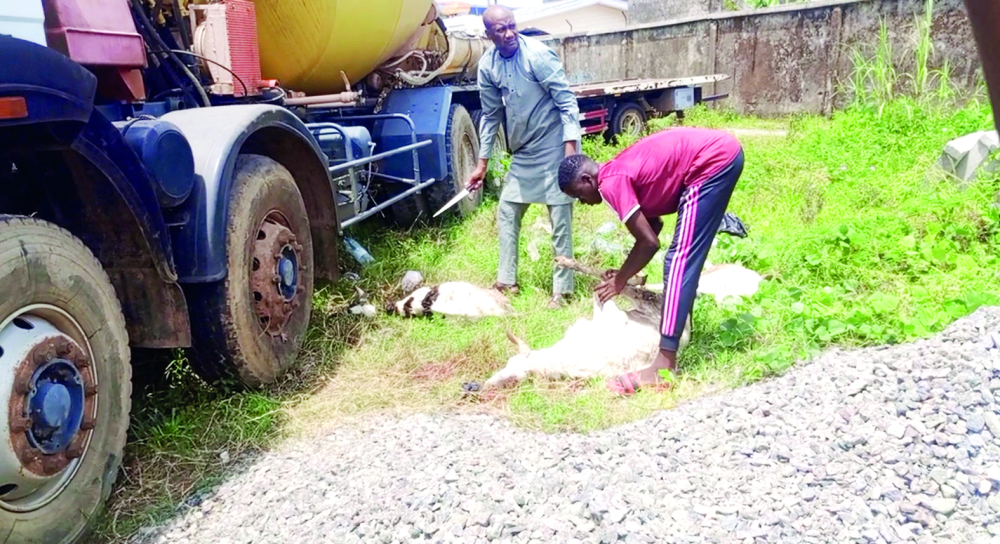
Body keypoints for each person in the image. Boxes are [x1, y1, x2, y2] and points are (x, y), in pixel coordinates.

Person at [557, 127, 744, 394]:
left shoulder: (610, 183)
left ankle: (663, 366)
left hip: (711, 162)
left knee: (679, 259)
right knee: (684, 257)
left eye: (578, 195)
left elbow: (649, 243)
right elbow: (652, 226)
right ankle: (681, 333)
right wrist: (624, 270)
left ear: (587, 179)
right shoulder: (613, 173)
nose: (582, 202)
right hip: (719, 154)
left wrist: (620, 281)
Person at [466, 4, 582, 309]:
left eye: (512, 26)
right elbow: (491, 116)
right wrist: (482, 163)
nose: (509, 34)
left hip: (555, 145)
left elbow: (567, 103)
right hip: (524, 152)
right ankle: (507, 282)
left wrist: (569, 158)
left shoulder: (538, 55)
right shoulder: (488, 66)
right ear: (488, 35)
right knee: (507, 211)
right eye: (501, 30)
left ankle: (563, 290)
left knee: (560, 218)